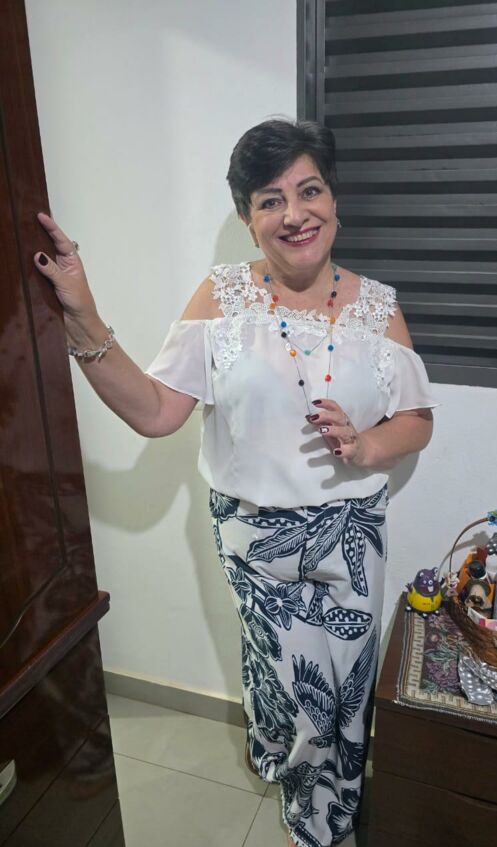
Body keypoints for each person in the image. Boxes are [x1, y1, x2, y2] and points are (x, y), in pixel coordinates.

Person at [34, 118, 438, 847]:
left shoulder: (376, 305)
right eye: (269, 200)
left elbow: (416, 418)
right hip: (254, 537)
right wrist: (82, 314)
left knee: (346, 687)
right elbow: (156, 411)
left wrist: (367, 443)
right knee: (298, 687)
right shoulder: (221, 297)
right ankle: (315, 818)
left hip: (354, 534)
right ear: (248, 219)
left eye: (309, 191)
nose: (294, 213)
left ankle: (305, 785)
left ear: (334, 200)